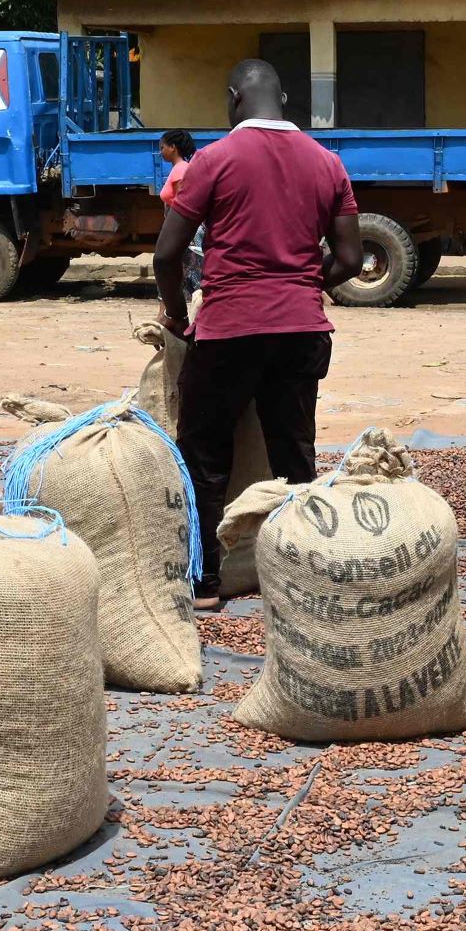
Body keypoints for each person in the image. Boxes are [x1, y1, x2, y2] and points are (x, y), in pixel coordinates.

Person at [152, 60, 363, 609]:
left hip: (229, 330)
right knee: (294, 454)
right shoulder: (327, 163)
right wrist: (301, 284)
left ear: (233, 98)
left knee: (204, 455)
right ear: (284, 98)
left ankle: (205, 582)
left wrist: (176, 315)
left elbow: (167, 254)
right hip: (300, 331)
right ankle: (303, 574)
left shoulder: (213, 160)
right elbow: (350, 258)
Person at [157, 129, 204, 292]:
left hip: (180, 229)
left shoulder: (180, 169)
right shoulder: (180, 168)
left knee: (178, 272)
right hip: (179, 229)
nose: (160, 152)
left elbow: (181, 202)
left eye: (162, 147)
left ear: (173, 147)